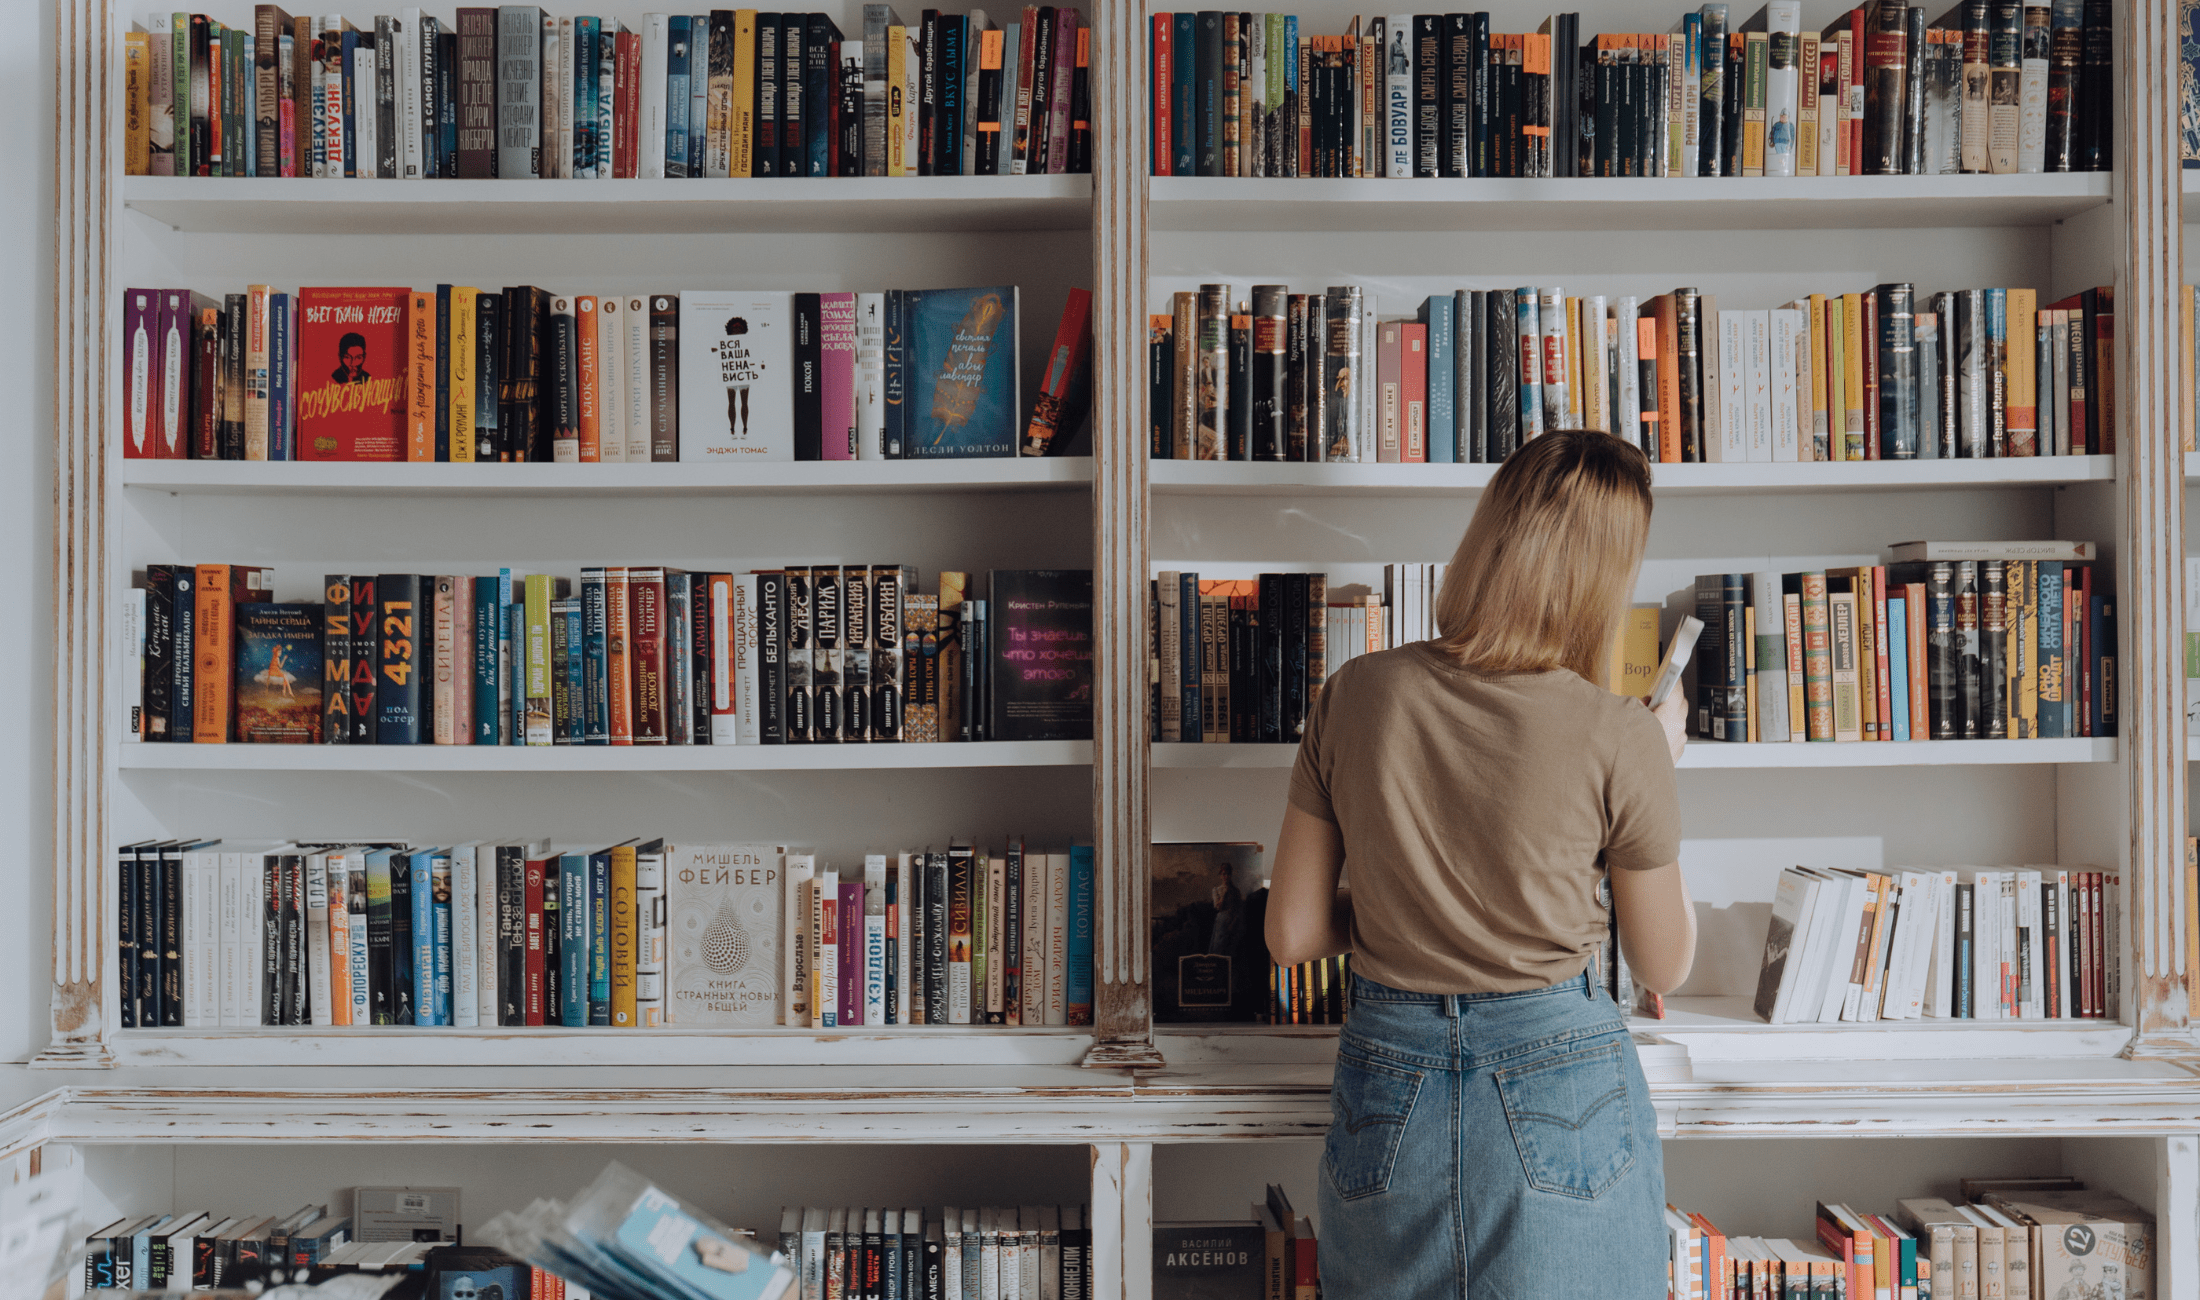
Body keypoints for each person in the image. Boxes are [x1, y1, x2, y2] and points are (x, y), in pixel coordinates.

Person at [1265, 429, 1694, 1298]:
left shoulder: (1353, 692)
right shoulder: (1622, 733)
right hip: (1562, 1076)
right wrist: (1658, 761)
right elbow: (1665, 963)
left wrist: (1404, 904)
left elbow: (1294, 933)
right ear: (1603, 580)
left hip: (1386, 1082)